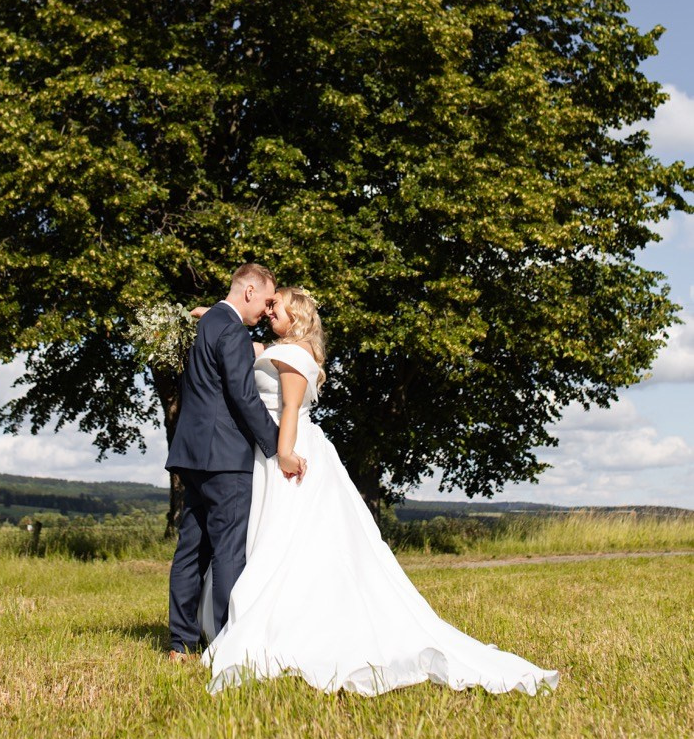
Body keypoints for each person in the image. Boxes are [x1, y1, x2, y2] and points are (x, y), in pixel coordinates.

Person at [202, 286, 559, 696]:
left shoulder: (290, 356)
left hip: (285, 451)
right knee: (293, 539)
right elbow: (258, 349)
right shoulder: (294, 351)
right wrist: (215, 316)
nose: (269, 313)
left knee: (282, 539)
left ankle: (282, 623)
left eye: (276, 308)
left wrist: (282, 454)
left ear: (296, 316)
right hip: (288, 448)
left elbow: (288, 411)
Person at [165, 263, 306, 661]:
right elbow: (243, 396)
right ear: (248, 292)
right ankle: (229, 642)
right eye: (264, 300)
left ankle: (181, 643)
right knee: (228, 551)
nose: (266, 310)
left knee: (192, 549)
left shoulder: (212, 323)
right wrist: (276, 447)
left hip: (191, 454)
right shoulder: (230, 328)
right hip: (225, 457)